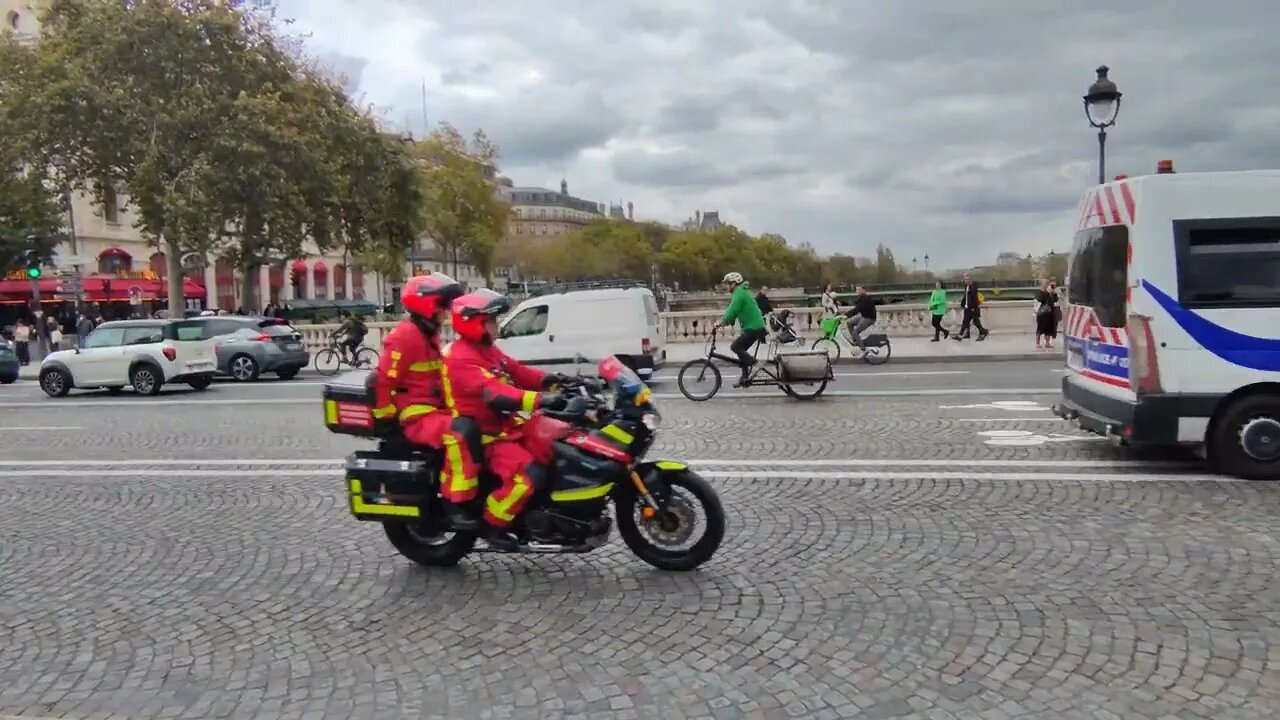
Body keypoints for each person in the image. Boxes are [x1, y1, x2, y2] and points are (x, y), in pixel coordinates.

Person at [444, 289, 571, 549]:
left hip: (508, 427)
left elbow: (517, 371)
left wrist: (553, 380)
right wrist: (541, 400)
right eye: (491, 321)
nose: (496, 326)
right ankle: (493, 524)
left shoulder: (487, 351)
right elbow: (495, 394)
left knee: (555, 451)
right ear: (474, 323)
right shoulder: (460, 358)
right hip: (487, 436)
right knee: (528, 475)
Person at [371, 273, 482, 529]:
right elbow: (383, 380)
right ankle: (455, 502)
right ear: (427, 305)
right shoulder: (405, 336)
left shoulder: (426, 334)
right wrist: (387, 420)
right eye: (443, 305)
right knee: (460, 432)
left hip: (434, 410)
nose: (446, 312)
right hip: (416, 415)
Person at [713, 271, 767, 387]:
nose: (726, 287)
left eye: (727, 284)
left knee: (735, 347)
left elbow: (732, 311)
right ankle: (745, 377)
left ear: (733, 284)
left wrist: (721, 323)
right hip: (754, 327)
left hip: (754, 327)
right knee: (741, 351)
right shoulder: (741, 293)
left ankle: (756, 364)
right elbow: (731, 311)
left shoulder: (739, 294)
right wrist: (725, 320)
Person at [844, 286, 881, 351]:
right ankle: (856, 340)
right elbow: (857, 308)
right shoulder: (861, 298)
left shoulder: (865, 299)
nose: (857, 291)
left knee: (855, 332)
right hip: (864, 316)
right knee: (849, 323)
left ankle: (863, 349)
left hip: (869, 318)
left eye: (859, 289)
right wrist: (845, 315)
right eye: (856, 290)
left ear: (864, 290)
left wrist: (846, 315)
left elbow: (857, 309)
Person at [954, 273, 989, 341]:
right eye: (964, 279)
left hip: (973, 308)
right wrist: (962, 304)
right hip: (967, 308)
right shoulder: (966, 286)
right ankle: (960, 335)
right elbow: (966, 296)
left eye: (967, 279)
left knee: (976, 322)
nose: (965, 280)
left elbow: (975, 298)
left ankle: (983, 333)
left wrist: (974, 308)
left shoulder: (973, 286)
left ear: (970, 279)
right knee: (965, 322)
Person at [1035, 277, 1059, 349]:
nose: (1047, 284)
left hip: (1050, 312)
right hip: (1042, 313)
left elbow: (1055, 300)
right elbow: (1039, 299)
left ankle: (1047, 343)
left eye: (1047, 283)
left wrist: (1053, 293)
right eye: (1045, 283)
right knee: (1040, 328)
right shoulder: (1040, 292)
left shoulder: (1051, 291)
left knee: (1049, 328)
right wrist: (1046, 292)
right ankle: (1037, 343)